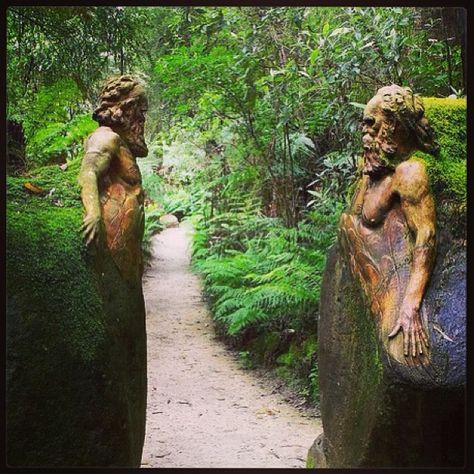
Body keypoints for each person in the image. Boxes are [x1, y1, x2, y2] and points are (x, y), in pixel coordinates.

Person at [339, 84, 439, 361]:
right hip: (368, 292)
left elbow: (426, 235)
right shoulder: (372, 169)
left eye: (371, 124)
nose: (364, 132)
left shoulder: (408, 173)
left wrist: (411, 304)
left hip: (393, 292)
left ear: (392, 125)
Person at [78, 75, 148, 284]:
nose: (143, 120)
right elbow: (88, 171)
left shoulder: (123, 144)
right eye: (141, 112)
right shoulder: (106, 137)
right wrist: (93, 214)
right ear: (126, 109)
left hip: (128, 251)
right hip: (113, 249)